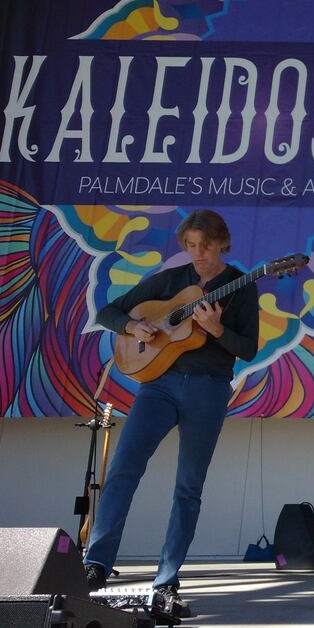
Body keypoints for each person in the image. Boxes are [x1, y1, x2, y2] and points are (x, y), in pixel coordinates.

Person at [83, 210, 259, 597]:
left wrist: (217, 330)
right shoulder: (170, 280)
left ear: (222, 244)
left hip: (208, 388)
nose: (199, 254)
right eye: (191, 246)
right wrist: (132, 326)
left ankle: (166, 579)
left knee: (188, 486)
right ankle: (96, 563)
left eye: (206, 246)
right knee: (124, 468)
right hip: (157, 385)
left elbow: (248, 348)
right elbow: (108, 312)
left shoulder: (240, 287)